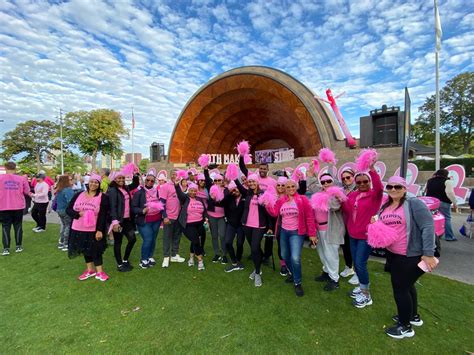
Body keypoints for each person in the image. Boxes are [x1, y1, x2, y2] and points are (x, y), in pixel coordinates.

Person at [371, 176, 437, 339]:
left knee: (400, 290)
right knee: (408, 287)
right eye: (390, 186)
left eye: (398, 187)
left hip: (409, 255)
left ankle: (405, 327)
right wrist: (376, 222)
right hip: (393, 253)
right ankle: (412, 316)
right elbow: (387, 225)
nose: (393, 189)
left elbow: (428, 226)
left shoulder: (414, 203)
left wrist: (428, 253)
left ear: (405, 189)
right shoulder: (387, 204)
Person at [342, 165, 383, 308]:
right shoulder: (352, 195)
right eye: (358, 182)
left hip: (366, 236)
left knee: (360, 264)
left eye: (365, 181)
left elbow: (379, 187)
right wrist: (340, 198)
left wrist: (372, 169)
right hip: (352, 235)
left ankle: (366, 295)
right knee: (356, 263)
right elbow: (347, 210)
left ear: (370, 181)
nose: (362, 184)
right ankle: (361, 286)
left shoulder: (374, 195)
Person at [266, 179, 316, 296]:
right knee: (284, 255)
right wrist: (267, 204)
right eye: (288, 187)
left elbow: (309, 217)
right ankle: (293, 274)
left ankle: (297, 282)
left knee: (295, 258)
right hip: (284, 231)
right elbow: (274, 213)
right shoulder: (281, 200)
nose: (290, 189)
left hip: (296, 233)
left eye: (293, 186)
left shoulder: (302, 199)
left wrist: (312, 234)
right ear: (285, 189)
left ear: (296, 187)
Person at [67, 173, 110, 281]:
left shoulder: (102, 197)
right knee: (85, 250)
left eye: (96, 182)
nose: (93, 184)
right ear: (88, 182)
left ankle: (100, 272)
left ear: (99, 184)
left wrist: (99, 230)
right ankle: (90, 270)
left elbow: (103, 215)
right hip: (78, 228)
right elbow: (68, 210)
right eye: (92, 182)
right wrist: (77, 214)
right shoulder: (79, 194)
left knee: (96, 250)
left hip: (93, 229)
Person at [235, 174, 271, 287]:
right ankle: (257, 268)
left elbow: (268, 211)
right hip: (247, 225)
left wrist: (270, 227)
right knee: (254, 248)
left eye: (253, 182)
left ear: (257, 182)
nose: (251, 183)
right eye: (249, 182)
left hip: (259, 226)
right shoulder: (247, 193)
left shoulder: (263, 194)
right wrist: (234, 175)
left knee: (255, 248)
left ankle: (257, 273)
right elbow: (238, 185)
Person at [312, 173, 346, 291]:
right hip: (318, 229)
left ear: (333, 182)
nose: (326, 184)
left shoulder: (337, 195)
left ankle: (334, 279)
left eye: (328, 181)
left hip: (330, 229)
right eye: (323, 182)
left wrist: (330, 194)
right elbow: (311, 185)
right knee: (322, 253)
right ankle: (326, 272)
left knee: (331, 255)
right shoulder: (318, 194)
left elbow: (334, 206)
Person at [108, 170, 140, 272]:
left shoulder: (125, 188)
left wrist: (135, 174)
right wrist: (114, 222)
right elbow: (112, 207)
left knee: (132, 239)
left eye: (122, 178)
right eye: (119, 178)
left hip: (127, 220)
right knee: (118, 242)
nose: (121, 180)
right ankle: (119, 264)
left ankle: (125, 259)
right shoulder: (113, 190)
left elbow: (135, 184)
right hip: (118, 221)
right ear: (114, 179)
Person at [132, 170, 162, 269]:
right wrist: (142, 210)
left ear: (154, 182)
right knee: (148, 239)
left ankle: (149, 256)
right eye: (148, 180)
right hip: (145, 221)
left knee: (153, 239)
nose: (149, 182)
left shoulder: (157, 191)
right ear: (145, 181)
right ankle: (143, 259)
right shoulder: (139, 193)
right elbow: (133, 208)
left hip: (157, 220)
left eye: (152, 181)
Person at [174, 180, 207, 270]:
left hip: (199, 224)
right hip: (188, 225)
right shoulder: (185, 199)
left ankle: (191, 258)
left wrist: (205, 218)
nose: (193, 192)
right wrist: (177, 185)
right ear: (188, 190)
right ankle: (200, 261)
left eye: (195, 190)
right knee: (196, 241)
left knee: (194, 240)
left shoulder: (199, 199)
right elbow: (180, 194)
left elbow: (203, 210)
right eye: (191, 190)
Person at [0, 162, 31, 255]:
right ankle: (18, 246)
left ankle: (6, 248)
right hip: (18, 206)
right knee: (18, 225)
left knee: (5, 226)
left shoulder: (0, 178)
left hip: (4, 206)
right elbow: (27, 191)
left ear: (5, 168)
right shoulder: (22, 179)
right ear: (15, 168)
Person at [159, 169, 185, 267]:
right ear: (170, 175)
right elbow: (161, 203)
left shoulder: (179, 186)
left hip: (178, 217)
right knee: (167, 238)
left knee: (177, 237)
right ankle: (166, 257)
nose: (175, 176)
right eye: (173, 174)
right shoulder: (165, 186)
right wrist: (165, 216)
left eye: (176, 175)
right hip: (169, 217)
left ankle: (174, 255)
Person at [425, 169, 458, 241]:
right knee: (446, 218)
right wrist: (454, 202)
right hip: (443, 202)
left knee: (432, 219)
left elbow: (426, 191)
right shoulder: (447, 181)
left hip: (431, 203)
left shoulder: (430, 180)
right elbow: (450, 193)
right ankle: (449, 237)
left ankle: (432, 235)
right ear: (446, 175)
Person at [203, 169, 227, 263]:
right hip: (212, 215)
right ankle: (217, 253)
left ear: (222, 181)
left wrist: (216, 201)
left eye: (219, 180)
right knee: (214, 236)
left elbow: (226, 202)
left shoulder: (226, 190)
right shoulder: (211, 188)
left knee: (222, 235)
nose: (217, 182)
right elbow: (207, 178)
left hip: (222, 216)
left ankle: (224, 254)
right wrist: (205, 169)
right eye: (215, 180)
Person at [222, 181, 246, 272]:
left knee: (240, 243)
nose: (235, 191)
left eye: (236, 189)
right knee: (228, 242)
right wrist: (229, 193)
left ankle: (238, 260)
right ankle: (234, 261)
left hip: (241, 225)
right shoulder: (229, 198)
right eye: (233, 189)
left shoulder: (245, 197)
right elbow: (222, 203)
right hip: (231, 224)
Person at [339, 168, 358, 285]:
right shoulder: (342, 190)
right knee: (345, 247)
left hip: (355, 224)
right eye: (343, 178)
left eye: (348, 177)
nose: (346, 180)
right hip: (343, 223)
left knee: (355, 249)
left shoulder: (358, 190)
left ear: (353, 177)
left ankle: (358, 272)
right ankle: (348, 267)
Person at [55, 175, 75, 251]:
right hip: (66, 210)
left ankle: (61, 242)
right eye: (70, 179)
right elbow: (71, 201)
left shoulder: (59, 189)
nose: (71, 181)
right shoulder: (68, 190)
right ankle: (66, 243)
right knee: (68, 226)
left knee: (64, 225)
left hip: (60, 210)